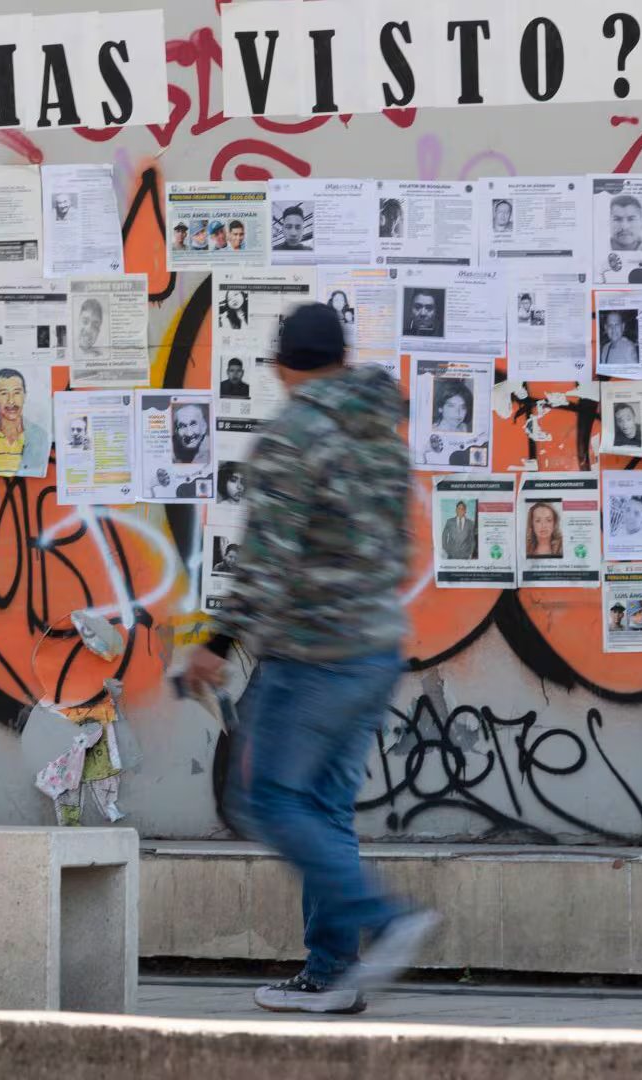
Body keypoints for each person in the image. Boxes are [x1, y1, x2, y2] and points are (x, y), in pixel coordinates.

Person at [177, 301, 435, 1016]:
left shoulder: (292, 437)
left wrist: (215, 647)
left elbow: (264, 563)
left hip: (312, 656)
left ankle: (386, 919)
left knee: (265, 800)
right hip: (376, 651)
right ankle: (330, 975)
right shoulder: (381, 434)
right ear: (343, 360)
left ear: (285, 366)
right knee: (322, 810)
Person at [0, 368, 50, 476]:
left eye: (17, 393)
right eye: (4, 393)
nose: (11, 401)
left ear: (24, 396)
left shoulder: (41, 437)